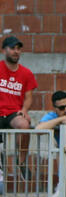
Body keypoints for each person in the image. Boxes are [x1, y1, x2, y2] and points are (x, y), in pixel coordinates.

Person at [1, 35, 37, 177]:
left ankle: (21, 162)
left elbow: (28, 97)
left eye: (18, 49)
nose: (16, 52)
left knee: (24, 124)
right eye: (12, 48)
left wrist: (24, 110)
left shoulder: (26, 73)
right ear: (4, 51)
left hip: (13, 113)